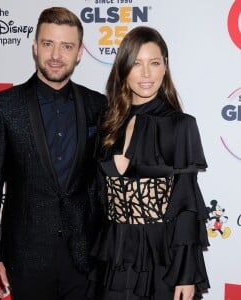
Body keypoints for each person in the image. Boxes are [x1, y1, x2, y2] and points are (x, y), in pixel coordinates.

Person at [0, 7, 106, 300]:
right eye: (48, 44)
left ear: (79, 53)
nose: (56, 55)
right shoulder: (5, 106)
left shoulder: (99, 106)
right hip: (25, 259)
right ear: (35, 47)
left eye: (66, 46)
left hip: (85, 260)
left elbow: (103, 184)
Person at [87, 26, 210, 300]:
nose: (145, 74)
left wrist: (186, 276)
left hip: (161, 260)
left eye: (154, 63)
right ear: (123, 68)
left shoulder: (181, 126)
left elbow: (187, 206)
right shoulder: (107, 123)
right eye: (136, 63)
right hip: (114, 255)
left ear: (164, 67)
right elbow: (96, 198)